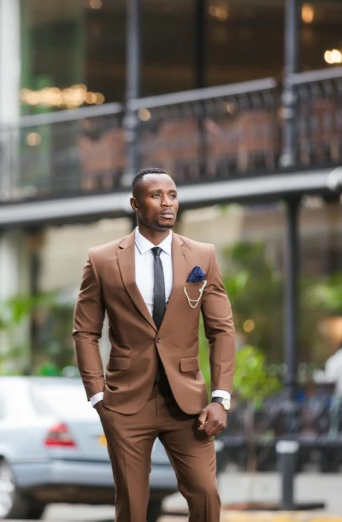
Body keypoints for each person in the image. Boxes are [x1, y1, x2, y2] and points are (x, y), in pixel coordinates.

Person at [73, 168, 236, 522]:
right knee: (132, 504)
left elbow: (221, 330)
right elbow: (85, 332)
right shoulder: (102, 260)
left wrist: (221, 398)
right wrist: (99, 397)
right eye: (156, 195)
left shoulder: (202, 256)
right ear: (135, 203)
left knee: (206, 494)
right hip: (127, 402)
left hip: (188, 404)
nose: (167, 203)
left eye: (172, 195)